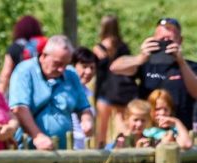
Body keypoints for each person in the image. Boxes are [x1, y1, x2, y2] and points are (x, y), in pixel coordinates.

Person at [110, 18, 197, 132]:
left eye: (169, 41)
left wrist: (181, 61)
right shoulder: (145, 64)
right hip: (148, 132)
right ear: (154, 40)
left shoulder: (190, 67)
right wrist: (140, 57)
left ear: (180, 41)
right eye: (161, 40)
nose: (165, 43)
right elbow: (115, 68)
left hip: (180, 131)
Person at [9, 35, 94, 150]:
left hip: (64, 153)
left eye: (65, 64)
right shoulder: (24, 71)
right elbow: (19, 108)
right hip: (29, 152)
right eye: (58, 64)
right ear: (44, 56)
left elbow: (84, 107)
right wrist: (37, 136)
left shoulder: (71, 74)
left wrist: (87, 120)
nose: (61, 69)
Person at [93, 15, 139, 147]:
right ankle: (124, 149)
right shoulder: (123, 46)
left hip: (104, 90)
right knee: (122, 124)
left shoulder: (98, 48)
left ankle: (100, 155)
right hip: (121, 91)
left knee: (102, 127)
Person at [0, 15, 46, 95]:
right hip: (42, 90)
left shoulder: (15, 47)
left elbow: (6, 74)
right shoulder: (44, 46)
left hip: (20, 91)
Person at [71, 47, 98, 149]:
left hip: (84, 146)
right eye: (84, 66)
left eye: (92, 67)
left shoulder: (89, 93)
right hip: (70, 146)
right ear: (73, 66)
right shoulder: (68, 90)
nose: (88, 71)